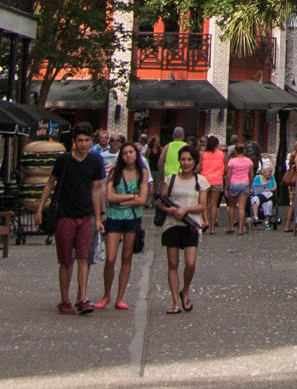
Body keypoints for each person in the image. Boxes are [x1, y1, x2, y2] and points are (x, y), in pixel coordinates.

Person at [49, 127, 103, 314]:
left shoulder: (95, 161)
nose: (83, 144)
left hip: (85, 215)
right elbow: (51, 183)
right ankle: (65, 299)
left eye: (86, 140)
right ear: (74, 141)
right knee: (65, 260)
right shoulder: (64, 160)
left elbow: (96, 190)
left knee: (83, 258)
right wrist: (41, 208)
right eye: (80, 140)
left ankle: (82, 297)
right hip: (65, 215)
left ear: (91, 141)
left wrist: (98, 216)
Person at [100, 141, 150, 310]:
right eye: (125, 153)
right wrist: (131, 197)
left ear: (136, 154)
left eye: (131, 152)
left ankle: (120, 297)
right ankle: (106, 294)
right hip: (114, 217)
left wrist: (123, 200)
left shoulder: (142, 172)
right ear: (121, 156)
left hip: (132, 218)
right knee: (110, 257)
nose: (128, 156)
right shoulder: (115, 172)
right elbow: (110, 197)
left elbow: (143, 200)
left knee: (127, 257)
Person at [156, 149, 205, 312]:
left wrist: (185, 210)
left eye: (189, 159)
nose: (186, 163)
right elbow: (161, 202)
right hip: (172, 225)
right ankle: (175, 302)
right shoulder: (170, 180)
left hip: (191, 225)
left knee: (190, 263)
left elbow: (202, 206)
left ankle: (185, 289)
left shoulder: (201, 181)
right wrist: (169, 210)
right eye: (183, 160)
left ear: (194, 161)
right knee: (173, 263)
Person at [223, 142, 255, 234]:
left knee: (232, 206)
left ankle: (231, 226)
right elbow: (251, 174)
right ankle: (240, 229)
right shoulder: (249, 161)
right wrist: (250, 184)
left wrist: (226, 188)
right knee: (242, 207)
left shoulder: (232, 161)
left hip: (233, 183)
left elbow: (228, 176)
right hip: (244, 183)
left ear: (235, 151)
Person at [199, 135, 229, 230]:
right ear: (217, 144)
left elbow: (199, 167)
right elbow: (226, 168)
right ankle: (212, 228)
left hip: (205, 180)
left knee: (204, 203)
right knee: (214, 204)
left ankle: (205, 221)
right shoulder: (221, 154)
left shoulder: (203, 154)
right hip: (217, 180)